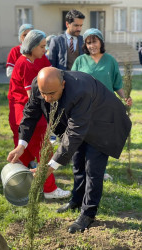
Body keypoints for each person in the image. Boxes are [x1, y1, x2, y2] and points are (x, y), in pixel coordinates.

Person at [7, 67, 131, 233]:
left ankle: (88, 214)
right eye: (44, 94)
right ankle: (77, 200)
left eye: (51, 94)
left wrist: (50, 166)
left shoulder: (81, 91)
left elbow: (74, 133)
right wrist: (21, 145)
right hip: (80, 123)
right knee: (78, 163)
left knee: (92, 169)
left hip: (103, 123)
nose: (47, 98)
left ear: (63, 84)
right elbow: (30, 114)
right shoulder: (40, 85)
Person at [8, 30, 71, 199]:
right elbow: (33, 100)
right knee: (44, 151)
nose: (45, 49)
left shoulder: (39, 58)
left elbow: (52, 72)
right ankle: (49, 189)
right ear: (32, 46)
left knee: (27, 153)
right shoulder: (25, 64)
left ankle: (21, 184)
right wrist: (49, 117)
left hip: (25, 115)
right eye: (42, 46)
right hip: (27, 116)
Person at [71, 28, 133, 181]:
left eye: (95, 41)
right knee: (85, 138)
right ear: (85, 44)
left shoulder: (110, 60)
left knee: (102, 139)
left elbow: (117, 83)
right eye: (88, 42)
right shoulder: (80, 61)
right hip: (85, 107)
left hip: (106, 107)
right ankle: (85, 167)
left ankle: (99, 170)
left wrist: (126, 97)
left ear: (101, 42)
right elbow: (72, 83)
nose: (92, 45)